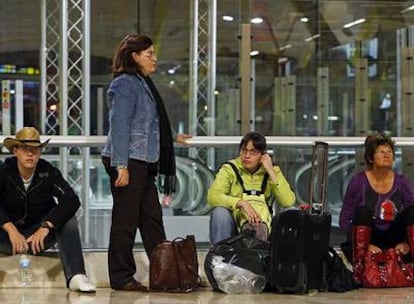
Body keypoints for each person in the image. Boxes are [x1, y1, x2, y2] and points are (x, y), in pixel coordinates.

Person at [101, 34, 191, 291]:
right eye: (149, 53)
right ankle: (121, 277)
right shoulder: (125, 84)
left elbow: (150, 122)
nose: (154, 58)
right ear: (134, 56)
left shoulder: (142, 82)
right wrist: (121, 165)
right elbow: (120, 126)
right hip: (128, 160)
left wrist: (173, 136)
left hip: (143, 161)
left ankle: (165, 273)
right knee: (125, 222)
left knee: (151, 220)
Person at [0, 127, 96, 293]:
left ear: (40, 152)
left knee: (68, 220)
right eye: (25, 149)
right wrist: (10, 228)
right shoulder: (4, 171)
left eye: (35, 150)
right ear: (15, 151)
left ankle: (76, 276)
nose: (30, 154)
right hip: (8, 238)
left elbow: (71, 199)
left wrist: (47, 225)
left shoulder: (47, 172)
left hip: (37, 238)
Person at [339, 133, 414, 285]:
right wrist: (365, 245)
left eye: (390, 152)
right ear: (371, 158)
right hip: (369, 237)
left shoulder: (402, 182)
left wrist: (406, 243)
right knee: (362, 212)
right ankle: (360, 269)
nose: (387, 155)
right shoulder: (358, 182)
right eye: (382, 152)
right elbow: (344, 219)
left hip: (393, 237)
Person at [207, 131, 296, 244]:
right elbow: (213, 197)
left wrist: (271, 171)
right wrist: (241, 203)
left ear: (262, 155)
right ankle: (220, 256)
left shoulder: (272, 170)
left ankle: (285, 259)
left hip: (265, 223)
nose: (247, 156)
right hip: (235, 223)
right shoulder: (229, 169)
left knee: (292, 213)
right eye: (244, 151)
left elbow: (288, 201)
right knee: (219, 212)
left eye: (253, 152)